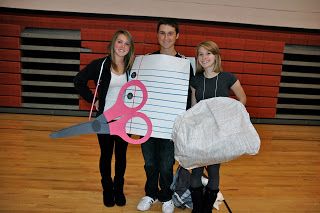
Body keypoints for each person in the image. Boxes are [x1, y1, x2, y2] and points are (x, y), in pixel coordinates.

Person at [137, 18, 193, 213]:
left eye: (170, 33)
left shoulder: (186, 64)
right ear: (157, 35)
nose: (166, 37)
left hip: (171, 125)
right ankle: (150, 193)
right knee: (150, 162)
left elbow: (190, 95)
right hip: (147, 123)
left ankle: (167, 196)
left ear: (177, 36)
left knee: (167, 164)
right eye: (162, 33)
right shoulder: (145, 61)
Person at [73, 29, 135, 207]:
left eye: (126, 43)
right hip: (104, 120)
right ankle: (107, 189)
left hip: (125, 120)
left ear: (130, 47)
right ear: (113, 43)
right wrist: (95, 101)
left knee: (121, 156)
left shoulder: (133, 68)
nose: (122, 46)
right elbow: (78, 81)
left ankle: (119, 189)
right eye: (119, 41)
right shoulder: (100, 65)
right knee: (106, 155)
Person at [189, 40, 246, 213]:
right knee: (195, 172)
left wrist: (228, 118)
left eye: (208, 53)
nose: (204, 57)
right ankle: (197, 209)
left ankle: (206, 209)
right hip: (200, 132)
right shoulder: (196, 80)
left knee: (213, 171)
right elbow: (193, 107)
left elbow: (242, 99)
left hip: (219, 133)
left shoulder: (228, 77)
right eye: (200, 54)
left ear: (216, 56)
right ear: (197, 58)